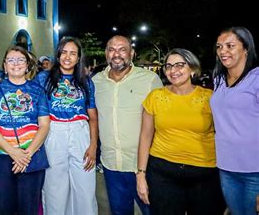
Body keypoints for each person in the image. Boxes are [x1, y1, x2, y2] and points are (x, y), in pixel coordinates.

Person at [136, 48, 224, 214]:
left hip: (204, 173)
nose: (173, 71)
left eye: (179, 65)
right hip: (162, 173)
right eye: (168, 66)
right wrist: (141, 174)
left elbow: (224, 135)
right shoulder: (155, 97)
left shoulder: (210, 98)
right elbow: (145, 136)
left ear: (192, 68)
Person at [92, 35, 163, 215]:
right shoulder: (96, 82)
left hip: (142, 165)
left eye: (122, 49)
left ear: (132, 53)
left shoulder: (149, 80)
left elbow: (162, 121)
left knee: (152, 210)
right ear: (106, 54)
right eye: (112, 49)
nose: (117, 54)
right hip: (111, 165)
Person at [0, 45, 50, 215]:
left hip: (31, 156)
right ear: (4, 66)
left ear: (27, 65)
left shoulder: (38, 91)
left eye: (20, 60)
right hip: (1, 157)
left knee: (29, 208)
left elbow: (44, 125)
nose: (15, 64)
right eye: (10, 60)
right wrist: (13, 152)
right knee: (3, 207)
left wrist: (26, 155)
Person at [35, 37, 98, 215]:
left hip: (80, 132)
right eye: (64, 52)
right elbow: (24, 90)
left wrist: (93, 146)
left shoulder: (86, 81)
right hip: (53, 131)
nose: (67, 57)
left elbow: (93, 116)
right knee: (54, 188)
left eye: (73, 53)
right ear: (58, 55)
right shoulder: (43, 78)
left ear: (79, 58)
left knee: (85, 188)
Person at [210, 26, 259, 215]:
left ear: (246, 48)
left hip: (255, 171)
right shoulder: (219, 80)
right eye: (219, 46)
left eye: (230, 45)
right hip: (226, 167)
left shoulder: (256, 79)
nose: (223, 51)